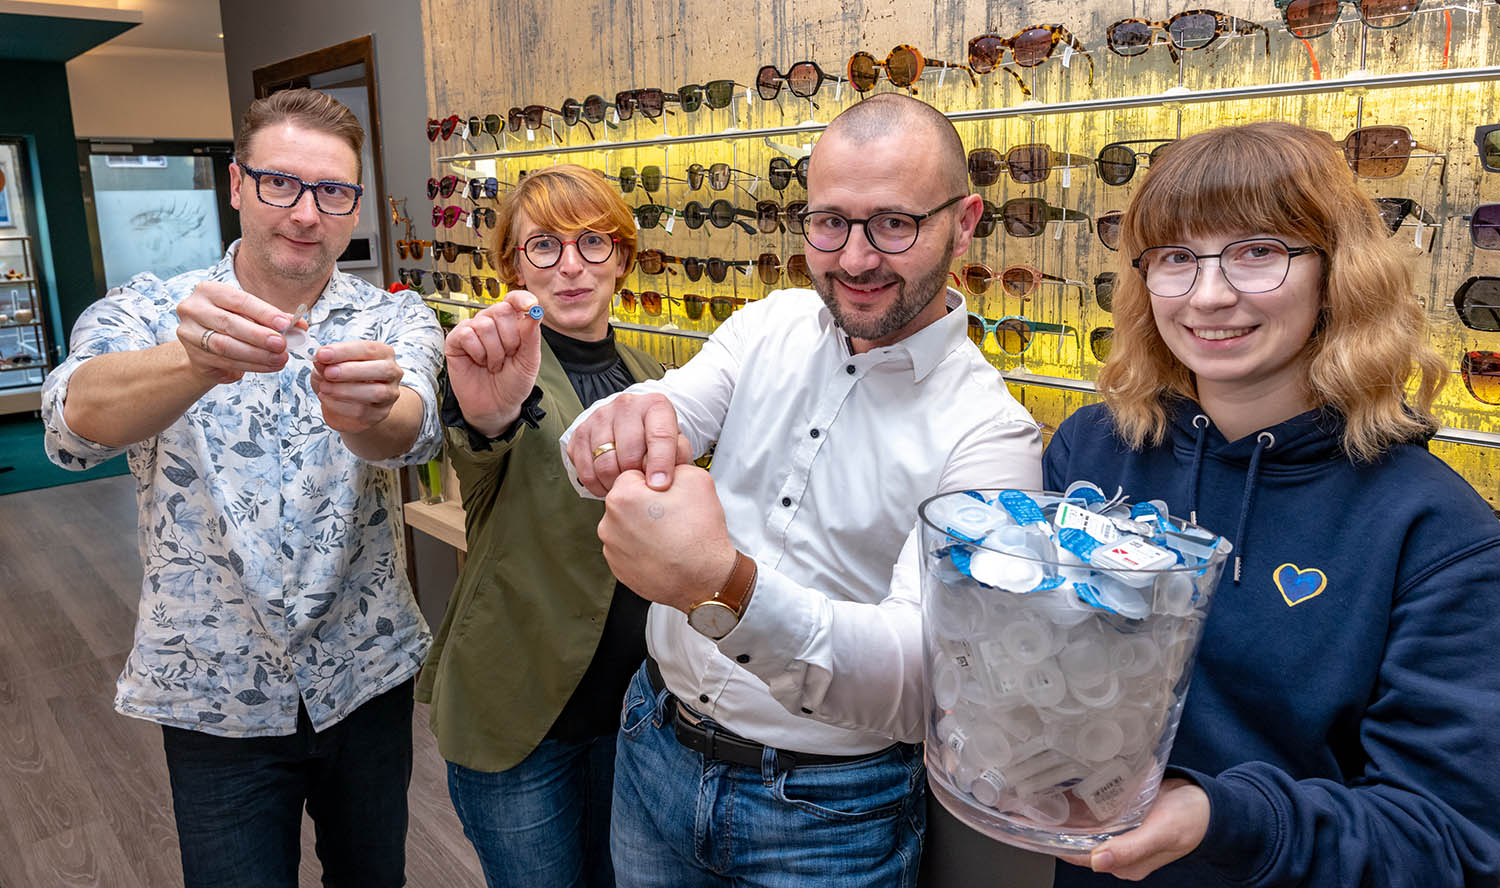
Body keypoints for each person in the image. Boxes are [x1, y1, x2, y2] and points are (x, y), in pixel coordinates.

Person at [556, 92, 1044, 886]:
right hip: (653, 745)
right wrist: (614, 435)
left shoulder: (993, 438)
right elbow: (661, 412)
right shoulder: (766, 325)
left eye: (895, 223)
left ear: (965, 221)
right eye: (829, 223)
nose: (853, 259)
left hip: (826, 817)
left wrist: (726, 589)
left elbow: (929, 681)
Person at [1041, 121, 1500, 885]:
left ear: (1336, 272)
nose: (1211, 295)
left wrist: (1224, 821)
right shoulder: (1093, 449)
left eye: (1258, 252)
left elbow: (1452, 840)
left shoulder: (1433, 531)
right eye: (1177, 258)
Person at [41, 88, 445, 888]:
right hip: (214, 688)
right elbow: (69, 424)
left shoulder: (393, 319)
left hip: (364, 676)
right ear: (237, 184)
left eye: (333, 192)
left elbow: (414, 428)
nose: (306, 213)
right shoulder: (154, 309)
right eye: (281, 184)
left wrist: (365, 413)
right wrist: (194, 361)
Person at [415, 164, 666, 887]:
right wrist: (487, 411)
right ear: (512, 266)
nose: (572, 267)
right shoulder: (494, 372)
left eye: (593, 243)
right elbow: (480, 432)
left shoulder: (651, 374)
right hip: (519, 717)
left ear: (622, 255)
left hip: (632, 715)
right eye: (544, 247)